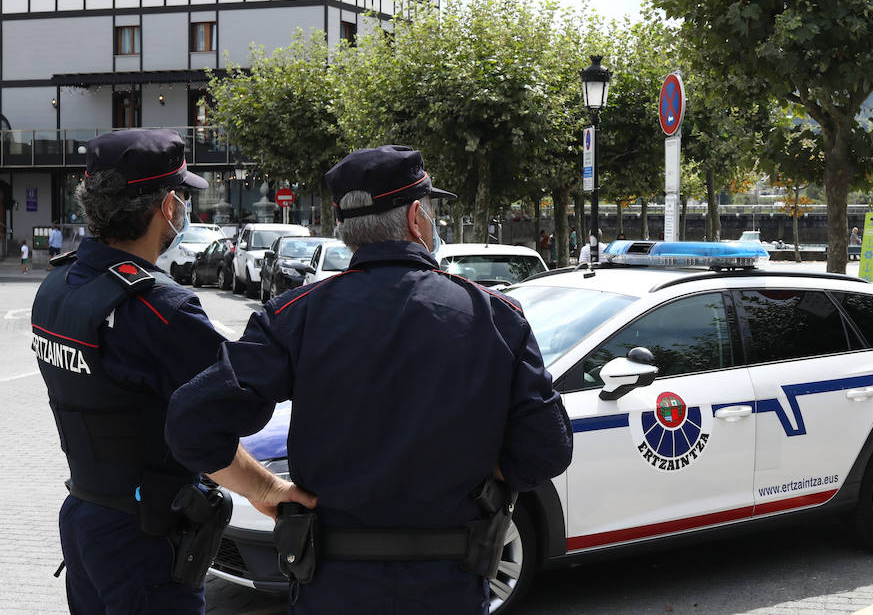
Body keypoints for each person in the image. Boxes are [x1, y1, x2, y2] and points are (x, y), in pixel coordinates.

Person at [166, 144, 574, 613]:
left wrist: (264, 489)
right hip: (448, 587)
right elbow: (548, 448)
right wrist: (486, 475)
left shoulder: (297, 316)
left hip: (332, 588)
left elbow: (191, 423)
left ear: (345, 229)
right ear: (417, 217)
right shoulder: (494, 316)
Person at [30, 128, 306, 614]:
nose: (184, 207)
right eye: (181, 195)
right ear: (166, 206)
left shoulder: (59, 285)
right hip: (144, 539)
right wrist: (267, 487)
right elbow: (218, 418)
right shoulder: (158, 307)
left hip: (85, 517)